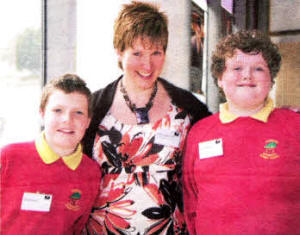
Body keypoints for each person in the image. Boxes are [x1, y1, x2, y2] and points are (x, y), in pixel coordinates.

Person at [82, 1, 210, 234]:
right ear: (119, 51)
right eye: (137, 53)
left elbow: (222, 143)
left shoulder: (189, 109)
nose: (147, 64)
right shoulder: (93, 107)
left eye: (156, 53)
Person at [183, 30, 300, 235]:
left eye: (258, 68)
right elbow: (190, 199)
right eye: (236, 68)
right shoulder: (199, 132)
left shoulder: (295, 126)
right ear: (220, 78)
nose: (246, 75)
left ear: (271, 79)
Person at [1, 74, 100, 235]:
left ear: (88, 121)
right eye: (57, 110)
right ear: (42, 114)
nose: (67, 120)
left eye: (78, 113)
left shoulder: (91, 172)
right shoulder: (9, 157)